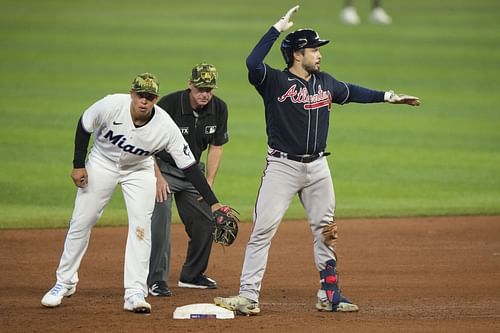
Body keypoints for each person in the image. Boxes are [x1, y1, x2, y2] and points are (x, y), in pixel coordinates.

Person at [214, 6, 420, 315]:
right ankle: (248, 295)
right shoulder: (273, 81)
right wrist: (275, 29)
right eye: (313, 49)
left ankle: (328, 293)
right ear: (297, 54)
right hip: (282, 167)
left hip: (318, 168)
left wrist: (389, 96)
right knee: (262, 231)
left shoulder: (325, 82)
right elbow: (252, 62)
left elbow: (353, 91)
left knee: (326, 230)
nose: (319, 54)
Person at [41, 73, 227, 314]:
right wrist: (78, 164)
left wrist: (213, 203)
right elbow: (85, 124)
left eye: (149, 97)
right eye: (140, 95)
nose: (144, 101)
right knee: (81, 221)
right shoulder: (111, 105)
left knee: (141, 229)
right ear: (132, 94)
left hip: (139, 170)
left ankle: (135, 293)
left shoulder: (165, 126)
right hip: (102, 163)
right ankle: (63, 283)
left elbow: (190, 167)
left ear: (155, 99)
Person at [147, 63, 229, 296]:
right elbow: (147, 145)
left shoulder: (219, 108)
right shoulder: (168, 106)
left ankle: (192, 275)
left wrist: (209, 182)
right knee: (161, 222)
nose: (205, 94)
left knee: (205, 221)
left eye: (209, 89)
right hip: (163, 170)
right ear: (190, 85)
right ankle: (156, 280)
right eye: (200, 88)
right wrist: (158, 178)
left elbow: (216, 147)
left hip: (193, 173)